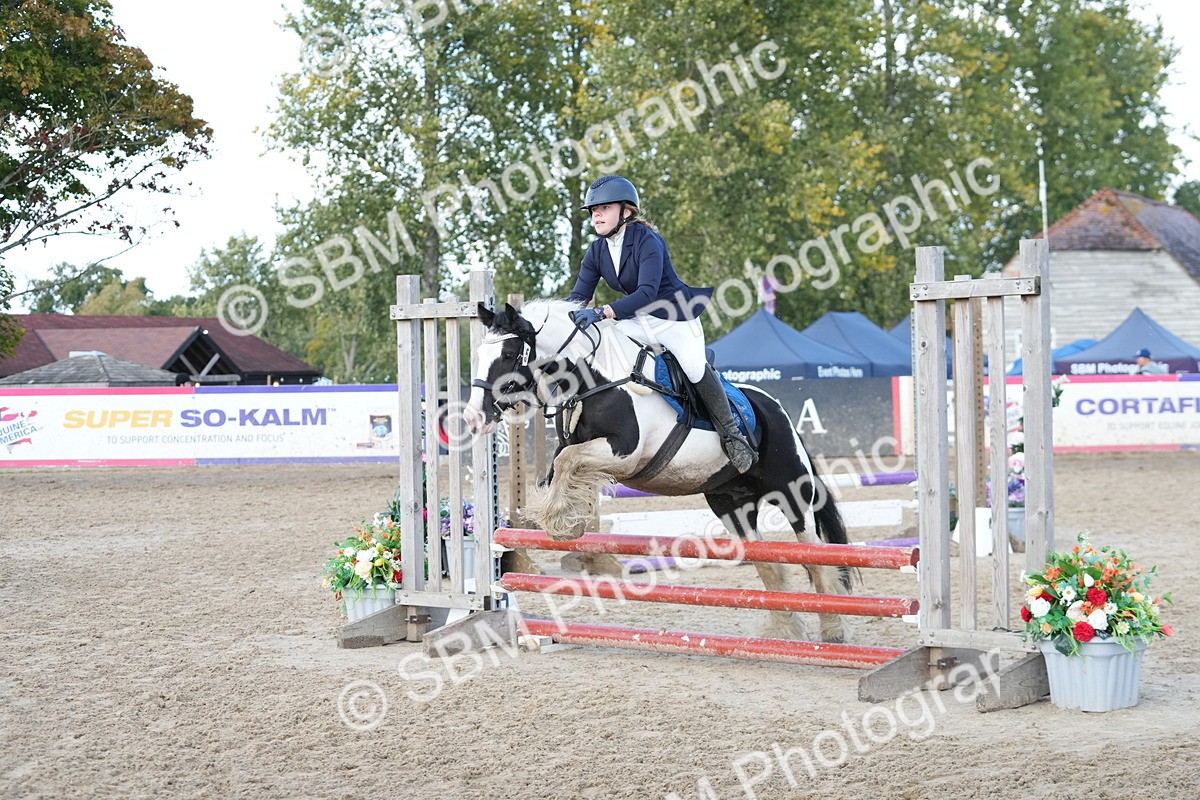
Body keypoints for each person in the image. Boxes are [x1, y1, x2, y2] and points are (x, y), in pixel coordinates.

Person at [565, 175, 757, 473]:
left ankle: (733, 436)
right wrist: (561, 318)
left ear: (626, 211)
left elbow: (647, 293)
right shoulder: (597, 251)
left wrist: (602, 312)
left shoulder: (647, 240)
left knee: (693, 367)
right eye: (593, 210)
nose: (596, 214)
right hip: (638, 318)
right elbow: (578, 298)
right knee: (602, 343)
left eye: (603, 207)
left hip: (674, 316)